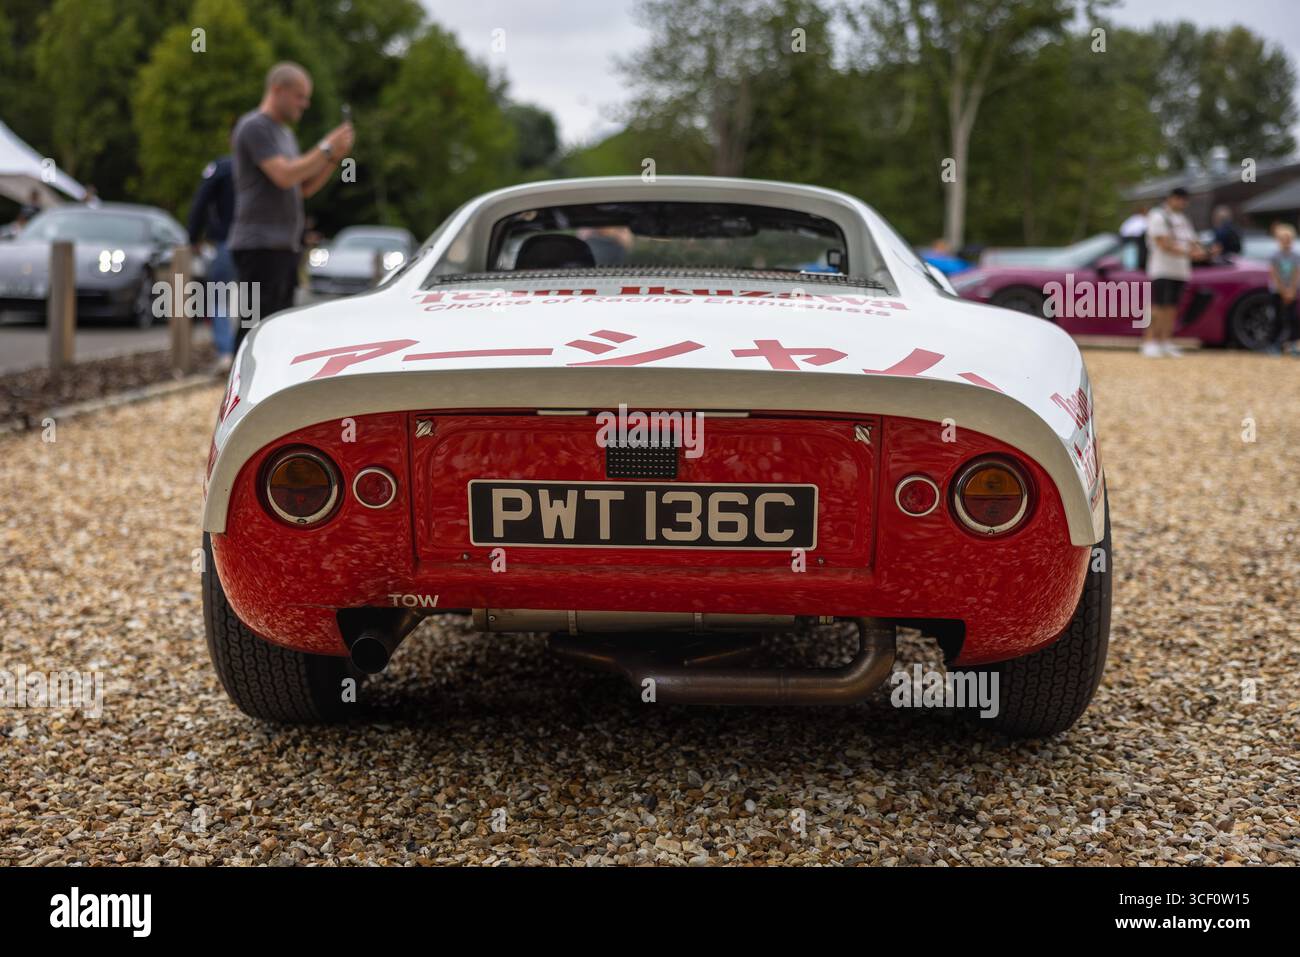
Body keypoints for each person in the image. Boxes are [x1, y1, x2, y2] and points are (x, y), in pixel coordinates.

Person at [228, 61, 353, 354]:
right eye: (299, 95)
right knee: (253, 330)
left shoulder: (285, 134)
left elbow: (302, 187)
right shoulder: (254, 127)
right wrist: (325, 148)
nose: (305, 104)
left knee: (276, 330)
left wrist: (333, 158)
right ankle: (241, 395)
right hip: (259, 246)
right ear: (277, 90)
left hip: (283, 246)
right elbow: (284, 175)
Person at [187, 146, 237, 370]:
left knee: (219, 299)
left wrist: (193, 237)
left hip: (227, 241)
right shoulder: (266, 166)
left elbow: (202, 200)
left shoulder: (223, 167)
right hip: (260, 243)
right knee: (254, 299)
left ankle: (226, 352)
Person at [1143, 187, 1202, 358]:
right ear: (1170, 199)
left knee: (1172, 307)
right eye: (1178, 198)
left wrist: (1205, 251)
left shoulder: (1183, 219)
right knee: (1159, 306)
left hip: (1180, 270)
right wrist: (1190, 253)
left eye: (1184, 199)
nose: (1181, 202)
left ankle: (1165, 341)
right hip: (1162, 268)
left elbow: (1192, 241)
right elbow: (1162, 243)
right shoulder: (1158, 216)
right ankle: (1149, 341)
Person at [1268, 225, 1300, 356]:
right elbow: (1274, 274)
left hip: (1291, 291)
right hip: (1277, 291)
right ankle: (1275, 344)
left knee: (1293, 318)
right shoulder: (1275, 256)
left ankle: (1292, 345)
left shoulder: (1295, 256)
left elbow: (1295, 274)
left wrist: (1291, 290)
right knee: (1278, 318)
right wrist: (1283, 291)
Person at [1119, 204, 1149, 271]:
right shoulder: (1143, 220)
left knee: (1129, 262)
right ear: (1143, 212)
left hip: (1127, 242)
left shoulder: (1130, 220)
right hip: (1136, 242)